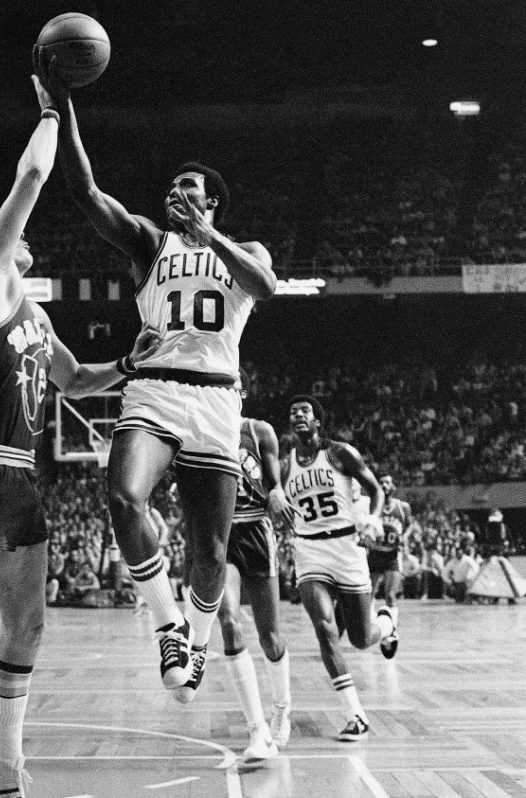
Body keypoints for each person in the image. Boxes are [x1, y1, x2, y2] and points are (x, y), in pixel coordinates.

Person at [0, 77, 161, 798]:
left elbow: (76, 382)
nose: (22, 235)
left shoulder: (33, 318)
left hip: (20, 478)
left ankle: (3, 765)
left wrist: (139, 362)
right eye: (8, 231)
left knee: (29, 628)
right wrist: (53, 108)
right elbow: (36, 173)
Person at [33, 49, 277, 701]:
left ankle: (196, 643)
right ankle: (169, 627)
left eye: (188, 190)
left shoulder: (245, 251)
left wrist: (210, 237)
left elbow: (267, 286)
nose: (174, 194)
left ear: (214, 201)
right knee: (124, 496)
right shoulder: (149, 243)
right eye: (171, 189)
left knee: (209, 553)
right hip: (154, 390)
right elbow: (85, 193)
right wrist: (62, 109)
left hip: (218, 401)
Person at [282, 395, 398, 742]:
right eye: (293, 412)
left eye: (304, 411)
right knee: (325, 629)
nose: (298, 415)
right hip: (309, 549)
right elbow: (272, 494)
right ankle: (355, 716)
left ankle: (388, 623)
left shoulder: (339, 453)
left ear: (317, 421)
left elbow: (375, 490)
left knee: (362, 639)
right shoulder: (285, 463)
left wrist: (373, 520)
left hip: (347, 547)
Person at [216, 375, 294, 762]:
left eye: (231, 389)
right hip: (221, 534)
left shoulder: (258, 430)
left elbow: (274, 479)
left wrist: (277, 491)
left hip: (256, 531)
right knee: (229, 622)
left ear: (241, 394)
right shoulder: (200, 430)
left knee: (271, 637)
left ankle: (281, 707)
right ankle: (257, 730)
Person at [367, 475, 412, 613]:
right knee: (368, 595)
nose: (384, 485)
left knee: (391, 596)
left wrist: (404, 536)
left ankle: (392, 630)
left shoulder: (403, 506)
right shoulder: (371, 504)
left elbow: (410, 525)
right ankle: (368, 627)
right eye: (381, 482)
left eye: (387, 482)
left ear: (393, 487)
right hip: (375, 552)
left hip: (392, 555)